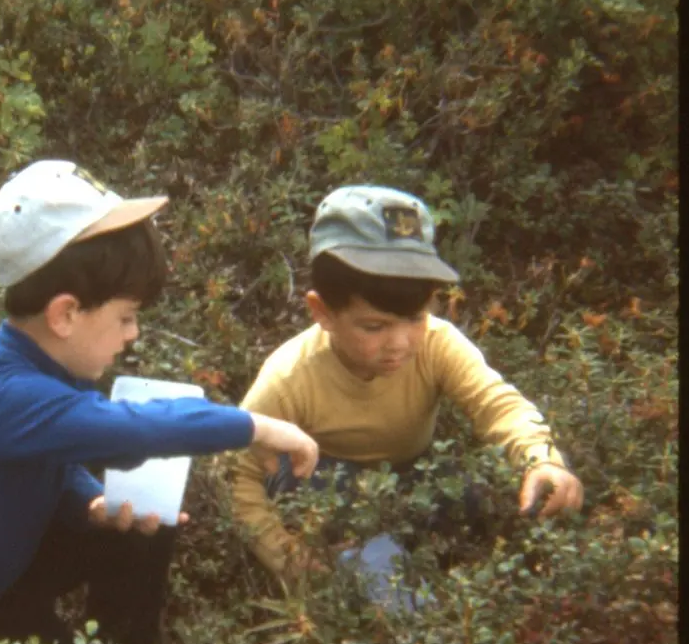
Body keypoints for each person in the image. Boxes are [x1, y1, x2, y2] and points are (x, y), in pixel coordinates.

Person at [0, 159, 316, 644]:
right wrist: (254, 426)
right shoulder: (6, 394)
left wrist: (90, 501)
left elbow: (46, 467)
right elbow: (133, 429)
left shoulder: (42, 364)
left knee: (137, 514)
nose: (133, 334)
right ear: (65, 315)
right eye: (125, 317)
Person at [231, 184, 584, 587]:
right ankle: (374, 581)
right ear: (322, 311)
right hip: (321, 485)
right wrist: (284, 553)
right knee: (302, 482)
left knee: (482, 496)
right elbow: (237, 473)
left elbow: (498, 406)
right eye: (374, 326)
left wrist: (542, 459)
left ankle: (404, 573)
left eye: (415, 317)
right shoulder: (289, 375)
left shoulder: (438, 343)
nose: (399, 343)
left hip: (409, 480)